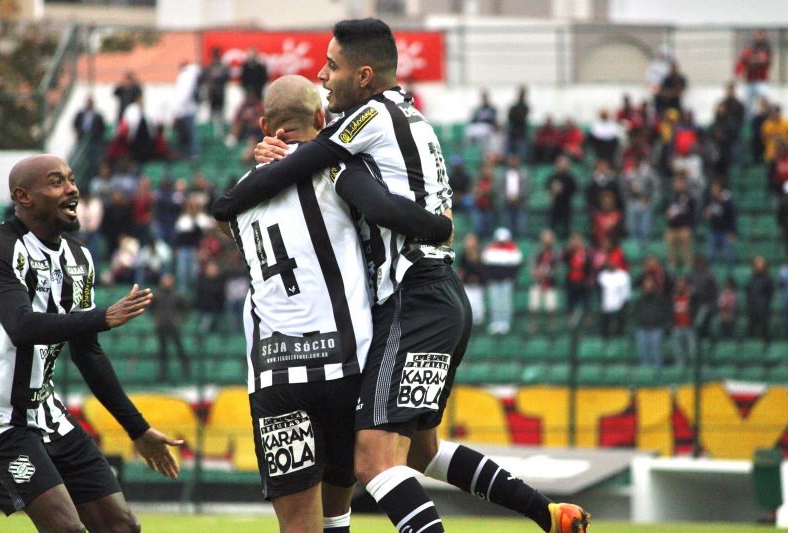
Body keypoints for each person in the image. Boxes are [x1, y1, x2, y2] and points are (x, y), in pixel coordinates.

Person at [215, 19, 588, 533]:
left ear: (364, 76)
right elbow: (377, 197)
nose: (324, 74)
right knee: (421, 451)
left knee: (373, 459)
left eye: (333, 65)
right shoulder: (413, 122)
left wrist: (238, 192)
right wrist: (437, 225)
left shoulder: (360, 128)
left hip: (400, 305)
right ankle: (545, 512)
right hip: (443, 299)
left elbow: (333, 174)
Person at [214, 74, 452, 533]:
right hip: (344, 365)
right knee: (337, 512)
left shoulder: (240, 193)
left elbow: (226, 222)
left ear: (265, 125)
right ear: (322, 119)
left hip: (274, 373)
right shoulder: (340, 171)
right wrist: (439, 226)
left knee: (300, 526)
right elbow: (383, 212)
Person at [0, 154, 182, 531]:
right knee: (68, 529)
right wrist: (102, 316)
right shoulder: (1, 248)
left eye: (72, 179)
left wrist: (137, 429)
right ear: (23, 196)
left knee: (122, 526)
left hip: (47, 414)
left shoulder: (80, 257)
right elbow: (22, 326)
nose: (73, 189)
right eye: (57, 181)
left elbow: (88, 353)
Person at [482, 227, 522, 335]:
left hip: (506, 281)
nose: (502, 242)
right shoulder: (490, 250)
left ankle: (505, 322)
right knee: (494, 303)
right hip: (494, 281)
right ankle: (495, 322)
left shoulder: (513, 250)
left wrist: (511, 280)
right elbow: (486, 267)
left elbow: (516, 268)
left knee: (506, 303)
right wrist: (488, 280)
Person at [151, 273, 189, 381]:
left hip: (173, 326)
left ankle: (186, 371)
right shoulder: (157, 295)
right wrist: (156, 318)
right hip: (161, 326)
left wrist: (180, 319)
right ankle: (162, 375)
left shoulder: (177, 295)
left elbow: (186, 309)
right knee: (162, 351)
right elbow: (150, 308)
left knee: (180, 349)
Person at [632, 275, 671, 369]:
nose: (648, 287)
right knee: (643, 352)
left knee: (656, 351)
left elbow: (665, 313)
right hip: (643, 328)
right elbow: (635, 313)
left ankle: (657, 372)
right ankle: (645, 374)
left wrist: (663, 325)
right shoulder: (640, 300)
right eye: (646, 285)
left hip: (656, 328)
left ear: (654, 286)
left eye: (650, 285)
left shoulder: (660, 299)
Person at [736, 29, 772, 117]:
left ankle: (766, 117)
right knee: (748, 105)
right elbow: (743, 60)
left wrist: (752, 59)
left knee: (764, 98)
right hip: (749, 80)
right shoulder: (750, 46)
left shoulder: (766, 47)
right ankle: (748, 122)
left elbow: (764, 60)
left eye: (759, 34)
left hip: (761, 80)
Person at [664, 173, 696, 271]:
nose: (677, 184)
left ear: (684, 184)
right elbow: (666, 211)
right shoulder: (671, 197)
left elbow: (692, 212)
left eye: (680, 182)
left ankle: (688, 266)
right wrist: (668, 215)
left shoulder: (689, 197)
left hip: (684, 227)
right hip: (672, 227)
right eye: (676, 182)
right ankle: (672, 266)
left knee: (686, 247)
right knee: (670, 246)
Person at [703, 180, 737, 267]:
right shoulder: (710, 201)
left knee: (728, 255)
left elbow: (732, 217)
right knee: (711, 255)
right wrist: (708, 212)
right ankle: (711, 274)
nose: (714, 190)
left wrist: (733, 232)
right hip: (713, 230)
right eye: (713, 189)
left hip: (725, 231)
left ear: (720, 190)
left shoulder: (727, 202)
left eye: (716, 189)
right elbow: (705, 215)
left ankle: (731, 273)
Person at [173, 61, 202, 159]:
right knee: (185, 134)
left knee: (190, 133)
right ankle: (187, 153)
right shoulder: (189, 75)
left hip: (186, 110)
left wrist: (178, 108)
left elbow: (185, 93)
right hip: (185, 109)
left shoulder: (187, 76)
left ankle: (193, 154)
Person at [547, 155, 577, 239]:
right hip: (554, 207)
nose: (562, 165)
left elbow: (573, 190)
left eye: (564, 163)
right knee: (552, 228)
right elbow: (548, 192)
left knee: (567, 229)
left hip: (566, 206)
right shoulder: (552, 178)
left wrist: (562, 190)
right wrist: (552, 192)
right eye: (560, 163)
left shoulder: (570, 178)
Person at [458, 233, 485, 327]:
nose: (470, 243)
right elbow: (461, 270)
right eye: (469, 241)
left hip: (477, 285)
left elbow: (483, 270)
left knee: (477, 306)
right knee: (467, 305)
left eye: (472, 240)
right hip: (466, 284)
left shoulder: (480, 254)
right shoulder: (463, 255)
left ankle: (478, 325)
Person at [203, 47, 230, 138]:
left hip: (220, 92)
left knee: (221, 113)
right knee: (212, 113)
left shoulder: (223, 66)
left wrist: (217, 78)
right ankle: (212, 134)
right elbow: (205, 77)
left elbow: (226, 77)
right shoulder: (210, 66)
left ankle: (221, 133)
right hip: (212, 93)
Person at [745, 256, 774, 341]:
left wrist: (764, 303)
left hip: (763, 307)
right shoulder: (751, 279)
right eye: (757, 264)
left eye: (760, 264)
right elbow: (748, 292)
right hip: (752, 307)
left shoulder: (768, 279)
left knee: (764, 328)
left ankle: (766, 347)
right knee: (750, 329)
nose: (758, 266)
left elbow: (770, 293)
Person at [671, 276, 696, 368]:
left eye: (682, 284)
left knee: (693, 351)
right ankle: (680, 371)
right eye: (678, 285)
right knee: (679, 353)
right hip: (677, 327)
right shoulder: (673, 297)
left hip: (689, 327)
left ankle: (694, 370)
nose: (680, 286)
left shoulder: (692, 297)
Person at [506, 86, 529, 160]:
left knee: (521, 157)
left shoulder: (525, 107)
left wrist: (516, 116)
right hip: (513, 134)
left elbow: (521, 118)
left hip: (521, 135)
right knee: (510, 156)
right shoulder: (514, 106)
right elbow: (510, 116)